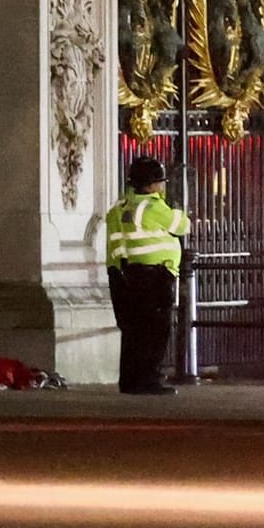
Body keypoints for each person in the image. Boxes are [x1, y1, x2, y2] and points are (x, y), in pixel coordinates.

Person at [105, 155, 192, 395]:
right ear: (152, 184)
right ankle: (149, 380)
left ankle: (130, 380)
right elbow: (184, 225)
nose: (162, 186)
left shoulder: (118, 208)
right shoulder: (152, 206)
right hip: (154, 277)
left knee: (132, 332)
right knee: (155, 331)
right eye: (161, 182)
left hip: (124, 274)